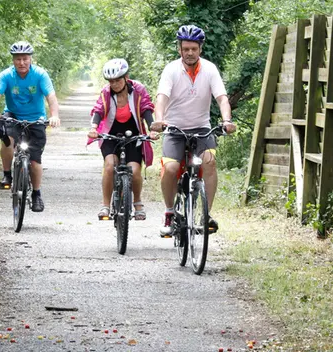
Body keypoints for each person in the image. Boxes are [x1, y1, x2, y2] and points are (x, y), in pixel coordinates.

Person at [150, 25, 236, 237]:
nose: (190, 53)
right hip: (174, 128)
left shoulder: (209, 69)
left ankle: (206, 215)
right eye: (186, 48)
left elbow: (222, 98)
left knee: (209, 162)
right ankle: (169, 212)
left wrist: (227, 120)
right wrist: (159, 119)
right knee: (170, 169)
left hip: (201, 129)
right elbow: (162, 97)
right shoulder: (171, 70)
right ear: (179, 48)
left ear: (200, 49)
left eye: (194, 49)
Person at [0, 41, 61, 212]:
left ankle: (36, 194)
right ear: (13, 60)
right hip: (13, 116)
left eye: (25, 59)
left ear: (30, 59)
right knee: (7, 140)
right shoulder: (6, 75)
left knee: (35, 160)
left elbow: (51, 96)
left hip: (36, 118)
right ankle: (7, 175)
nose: (21, 63)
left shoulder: (40, 75)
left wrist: (54, 115)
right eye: (18, 59)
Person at [87, 59, 159, 221]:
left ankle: (138, 203)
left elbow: (146, 109)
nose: (114, 84)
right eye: (111, 81)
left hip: (133, 134)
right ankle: (105, 205)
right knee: (110, 166)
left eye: (118, 80)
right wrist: (93, 128)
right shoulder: (106, 92)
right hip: (110, 134)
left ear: (126, 77)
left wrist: (152, 129)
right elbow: (98, 110)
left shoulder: (138, 89)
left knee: (134, 170)